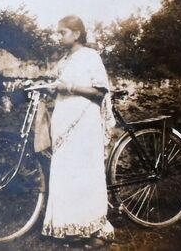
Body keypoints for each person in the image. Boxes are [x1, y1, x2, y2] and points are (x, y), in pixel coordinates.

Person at [41, 15, 115, 242]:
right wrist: (50, 89)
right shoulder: (64, 60)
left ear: (77, 34)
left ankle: (94, 231)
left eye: (62, 32)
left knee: (85, 175)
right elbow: (60, 88)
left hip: (84, 123)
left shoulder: (90, 57)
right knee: (67, 174)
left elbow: (99, 91)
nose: (58, 36)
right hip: (64, 122)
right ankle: (71, 229)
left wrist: (69, 87)